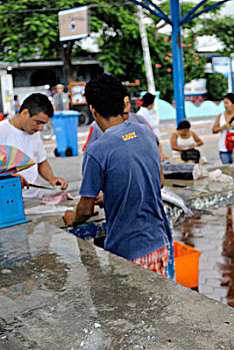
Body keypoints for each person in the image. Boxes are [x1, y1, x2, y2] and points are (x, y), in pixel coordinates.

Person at [63, 73, 172, 278]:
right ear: (124, 104)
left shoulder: (96, 150)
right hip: (160, 241)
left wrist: (73, 219)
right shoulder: (145, 131)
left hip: (129, 250)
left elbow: (86, 210)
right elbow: (159, 182)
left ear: (93, 110)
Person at [0, 93, 68, 199]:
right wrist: (9, 177)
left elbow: (41, 161)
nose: (41, 128)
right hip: (7, 200)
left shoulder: (34, 132)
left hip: (34, 199)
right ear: (25, 113)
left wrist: (51, 178)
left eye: (44, 124)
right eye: (38, 122)